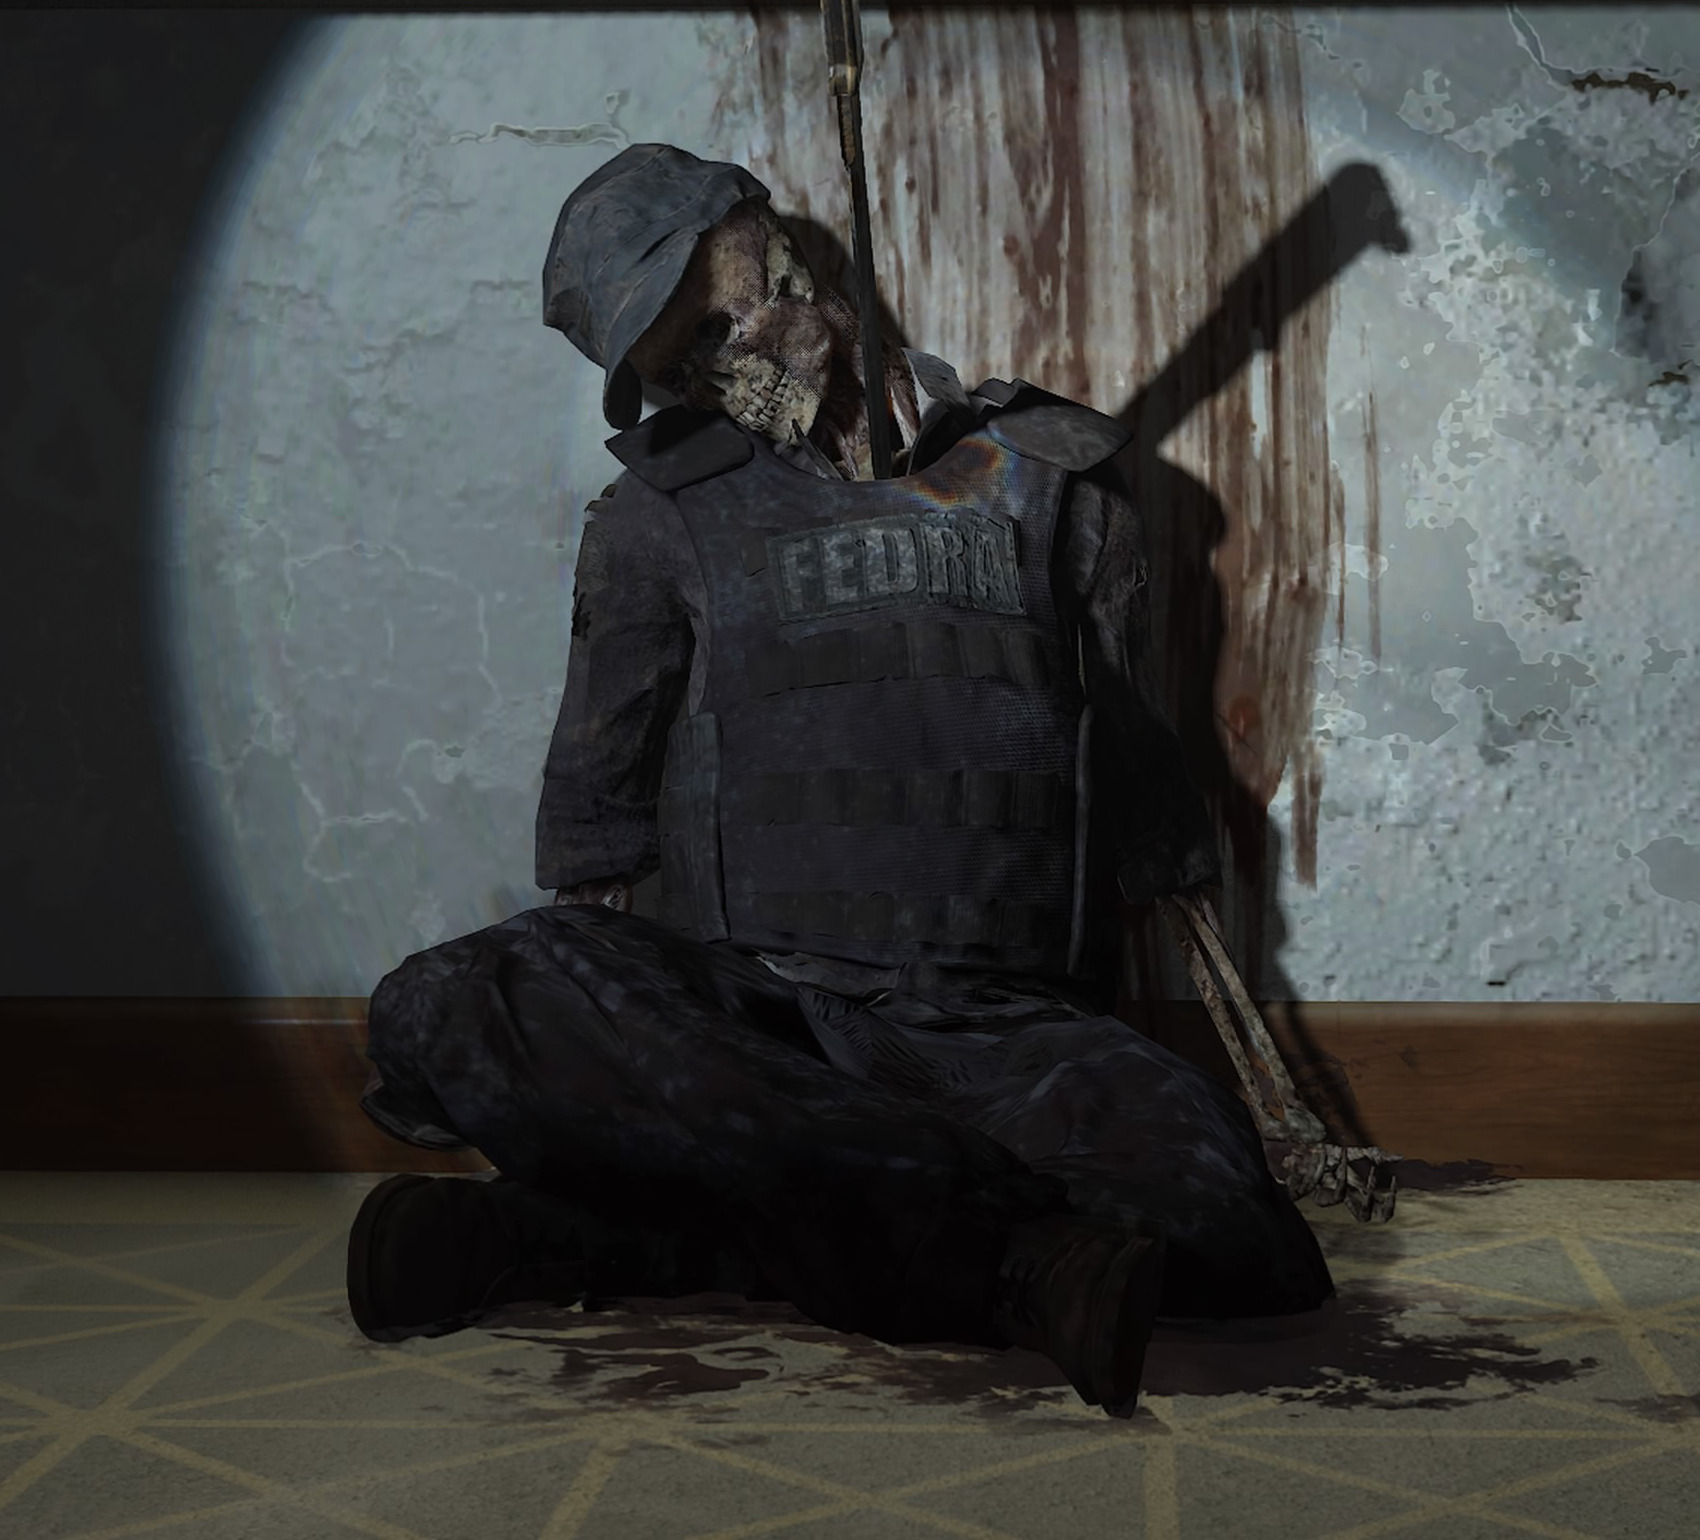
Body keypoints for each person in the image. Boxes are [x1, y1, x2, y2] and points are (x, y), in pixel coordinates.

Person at [347, 144, 1333, 1418]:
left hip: (996, 1033)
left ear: (775, 254)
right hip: (754, 1025)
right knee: (458, 995)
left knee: (1231, 1226)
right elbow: (595, 848)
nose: (712, 375)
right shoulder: (656, 515)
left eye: (712, 325)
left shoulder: (1051, 478)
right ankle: (1012, 1264)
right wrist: (608, 1058)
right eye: (677, 367)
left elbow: (1146, 802)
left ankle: (597, 1238)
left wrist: (1261, 1065)